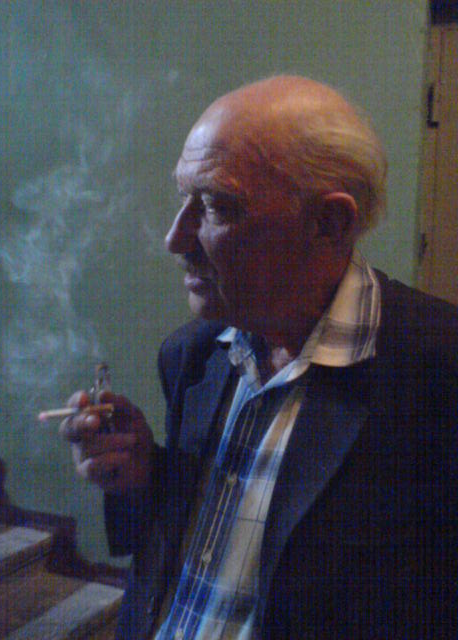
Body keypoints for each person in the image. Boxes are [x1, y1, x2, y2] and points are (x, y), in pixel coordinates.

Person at [61, 76, 458, 639]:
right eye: (183, 199)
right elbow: (202, 544)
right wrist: (142, 478)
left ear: (330, 223)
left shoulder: (437, 372)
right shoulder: (194, 354)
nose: (176, 239)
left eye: (217, 206)